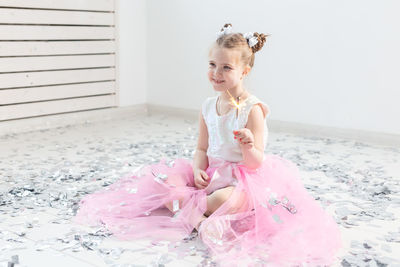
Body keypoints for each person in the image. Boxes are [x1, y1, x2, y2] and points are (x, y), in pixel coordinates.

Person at [73, 23, 342, 266]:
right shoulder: (207, 106)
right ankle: (200, 222)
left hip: (241, 179)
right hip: (211, 173)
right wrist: (199, 169)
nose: (216, 73)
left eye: (226, 67)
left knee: (226, 200)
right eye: (212, 65)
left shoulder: (253, 109)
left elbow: (255, 163)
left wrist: (248, 145)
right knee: (164, 180)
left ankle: (193, 213)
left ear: (244, 71)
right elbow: (201, 148)